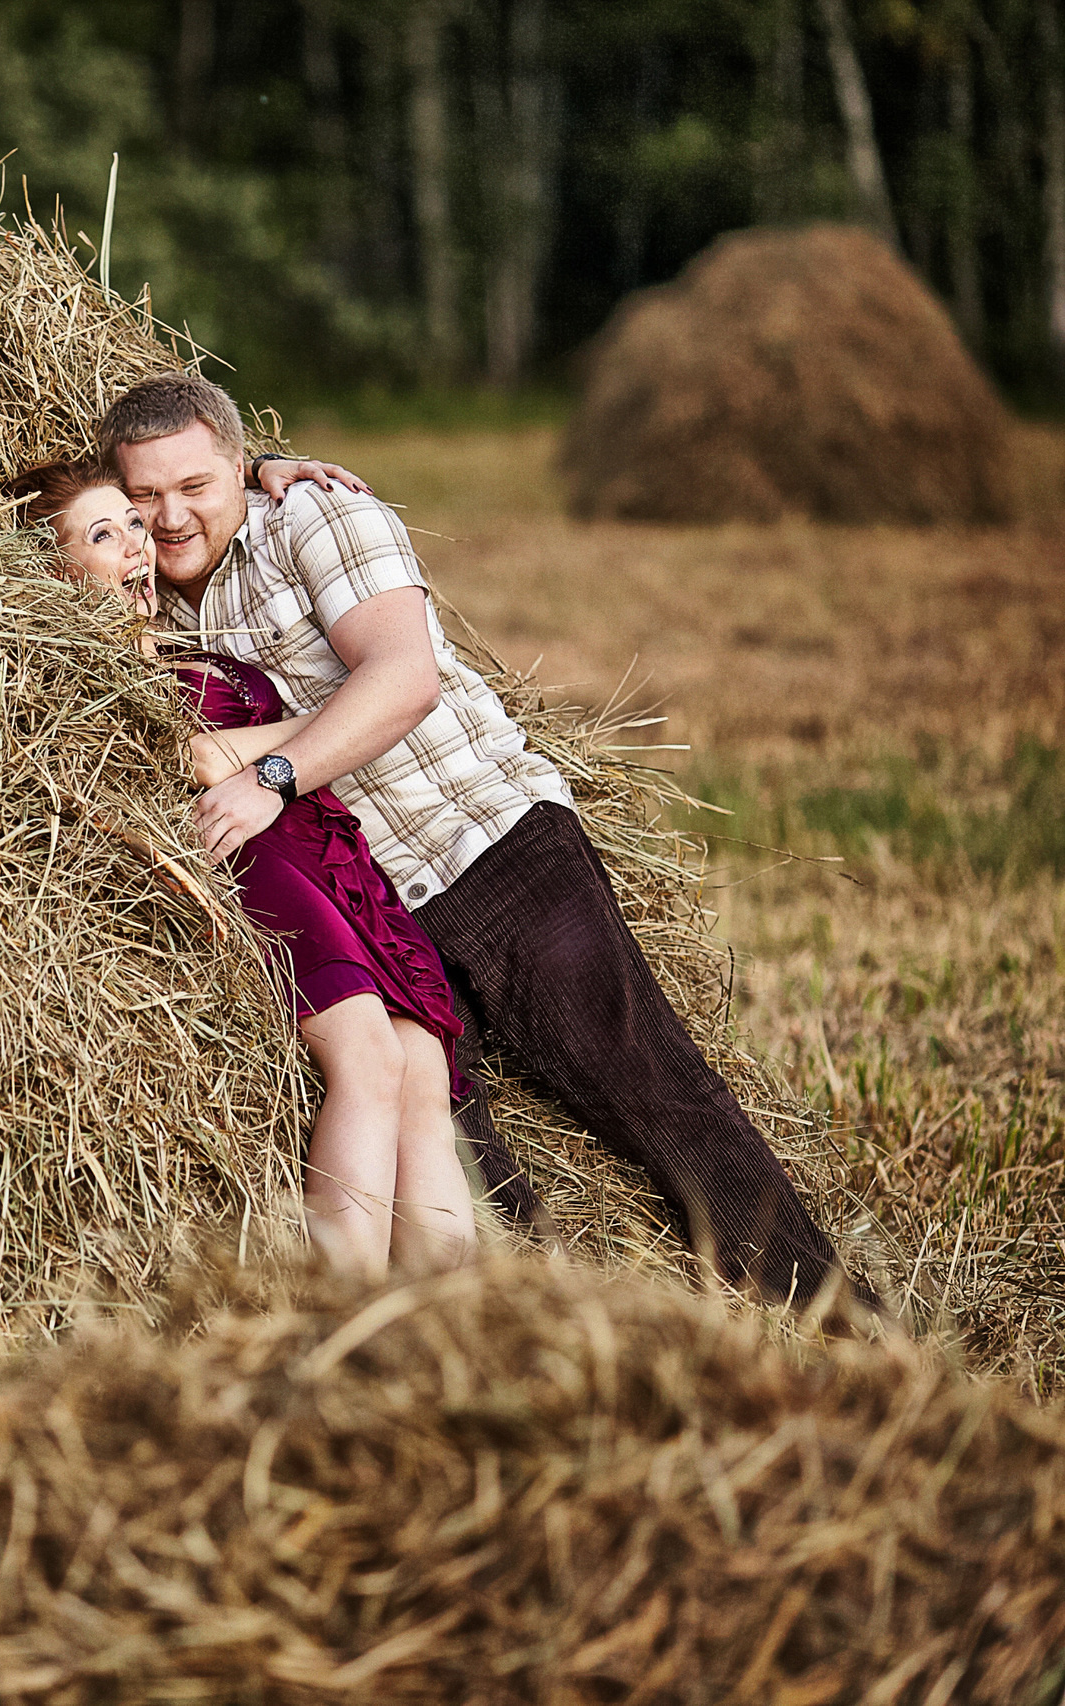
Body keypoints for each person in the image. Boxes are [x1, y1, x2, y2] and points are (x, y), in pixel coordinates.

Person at [98, 369, 867, 1309]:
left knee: (651, 1089)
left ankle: (843, 1330)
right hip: (378, 908)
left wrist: (271, 776)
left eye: (195, 487)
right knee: (464, 1164)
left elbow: (404, 675)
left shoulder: (315, 521)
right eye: (144, 498)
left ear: (236, 465)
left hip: (487, 847)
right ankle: (559, 1360)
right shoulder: (153, 598)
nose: (169, 517)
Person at [8, 459, 475, 1280]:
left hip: (334, 849)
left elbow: (193, 463)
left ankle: (448, 1331)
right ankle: (340, 1317)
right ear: (53, 571)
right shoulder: (90, 674)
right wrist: (316, 722)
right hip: (258, 856)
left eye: (133, 524)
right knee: (365, 1060)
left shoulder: (191, 644)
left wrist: (260, 465)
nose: (136, 544)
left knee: (422, 1072)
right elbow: (193, 756)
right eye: (103, 533)